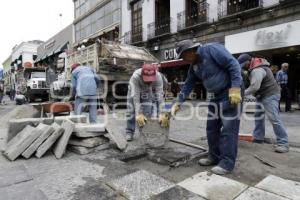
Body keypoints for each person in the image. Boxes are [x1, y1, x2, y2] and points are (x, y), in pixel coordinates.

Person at [171, 40, 243, 175]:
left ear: (191, 51)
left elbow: (233, 65)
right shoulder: (194, 65)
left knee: (228, 128)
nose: (183, 59)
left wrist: (235, 88)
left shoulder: (212, 49)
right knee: (211, 127)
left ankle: (227, 163)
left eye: (183, 56)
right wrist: (177, 103)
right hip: (215, 95)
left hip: (230, 92)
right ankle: (214, 157)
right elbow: (188, 84)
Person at [238, 54, 289, 153]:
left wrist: (241, 94)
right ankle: (258, 137)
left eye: (244, 64)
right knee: (258, 116)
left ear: (249, 61)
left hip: (270, 95)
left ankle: (283, 143)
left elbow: (255, 87)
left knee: (274, 118)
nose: (243, 67)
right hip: (262, 95)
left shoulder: (257, 69)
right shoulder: (256, 67)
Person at [125, 64, 169, 141]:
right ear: (142, 75)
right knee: (131, 111)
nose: (149, 82)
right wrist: (139, 113)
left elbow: (160, 97)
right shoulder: (135, 77)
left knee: (147, 111)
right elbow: (136, 98)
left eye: (150, 80)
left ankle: (145, 132)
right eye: (147, 80)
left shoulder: (158, 77)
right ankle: (129, 131)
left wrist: (162, 113)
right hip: (134, 91)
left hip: (147, 91)